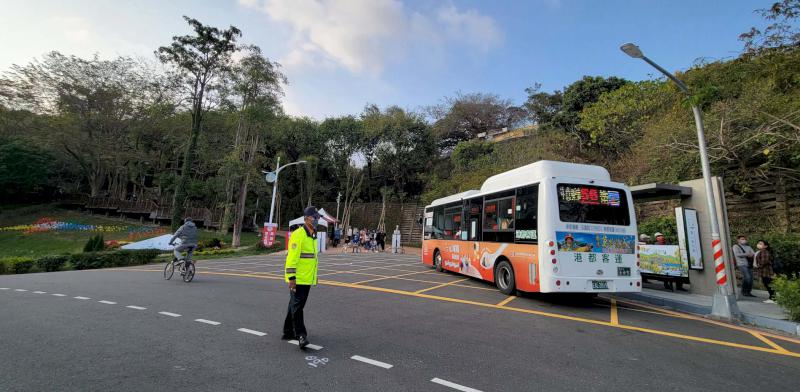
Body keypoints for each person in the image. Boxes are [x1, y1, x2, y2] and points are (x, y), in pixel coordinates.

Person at [282, 207, 320, 349]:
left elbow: (312, 259)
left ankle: (287, 331)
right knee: (298, 307)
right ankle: (301, 335)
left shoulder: (313, 235)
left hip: (307, 278)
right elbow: (292, 258)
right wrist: (291, 278)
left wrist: (314, 277)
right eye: (314, 217)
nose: (317, 220)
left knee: (295, 304)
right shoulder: (298, 234)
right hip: (298, 279)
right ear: (307, 219)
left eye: (317, 217)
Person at [754, 239, 776, 304]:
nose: (759, 244)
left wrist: (758, 266)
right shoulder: (762, 251)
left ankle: (773, 298)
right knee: (768, 284)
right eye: (758, 243)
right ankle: (772, 297)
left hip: (766, 270)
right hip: (765, 270)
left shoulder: (764, 251)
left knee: (768, 284)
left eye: (761, 244)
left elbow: (764, 261)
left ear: (765, 246)